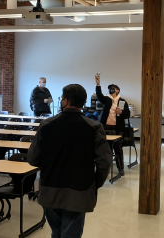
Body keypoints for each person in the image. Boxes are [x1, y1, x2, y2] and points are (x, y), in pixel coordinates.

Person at [28, 84, 111, 238]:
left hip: (50, 188)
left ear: (65, 101)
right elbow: (104, 163)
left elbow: (33, 158)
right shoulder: (94, 127)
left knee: (56, 233)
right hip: (79, 191)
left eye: (61, 98)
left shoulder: (46, 125)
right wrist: (94, 184)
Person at [95, 75, 130, 176]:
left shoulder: (123, 101)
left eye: (112, 89)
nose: (110, 90)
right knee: (105, 148)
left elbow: (127, 114)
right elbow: (99, 95)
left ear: (118, 90)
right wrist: (98, 84)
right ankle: (104, 169)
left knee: (118, 148)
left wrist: (121, 112)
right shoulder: (107, 99)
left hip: (117, 128)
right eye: (109, 89)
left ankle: (121, 168)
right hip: (105, 127)